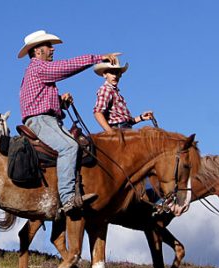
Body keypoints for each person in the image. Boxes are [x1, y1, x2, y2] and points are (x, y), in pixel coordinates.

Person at [18, 29, 119, 213]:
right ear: (37, 50)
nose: (52, 49)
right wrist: (98, 58)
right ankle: (68, 198)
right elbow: (66, 67)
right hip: (41, 121)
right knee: (69, 147)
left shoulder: (36, 71)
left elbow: (39, 100)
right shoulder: (38, 67)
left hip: (45, 119)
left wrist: (60, 102)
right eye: (48, 46)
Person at [93, 58, 153, 134]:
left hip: (125, 128)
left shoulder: (115, 92)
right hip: (118, 130)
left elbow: (124, 120)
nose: (114, 76)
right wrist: (110, 132)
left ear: (120, 75)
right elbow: (98, 112)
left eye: (117, 73)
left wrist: (141, 118)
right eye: (111, 73)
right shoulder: (106, 89)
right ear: (105, 75)